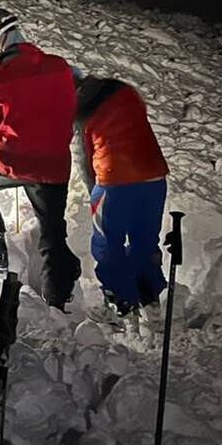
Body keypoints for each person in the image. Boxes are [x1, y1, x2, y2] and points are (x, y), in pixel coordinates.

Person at [0, 8, 81, 309]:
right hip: (54, 165)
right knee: (52, 229)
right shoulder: (59, 67)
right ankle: (57, 298)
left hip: (12, 161)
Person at [74, 72, 169, 336]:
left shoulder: (82, 115)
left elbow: (85, 161)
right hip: (154, 176)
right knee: (145, 241)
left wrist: (96, 193)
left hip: (115, 181)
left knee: (108, 243)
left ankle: (121, 306)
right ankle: (151, 302)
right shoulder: (123, 90)